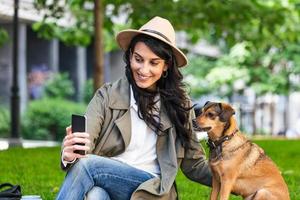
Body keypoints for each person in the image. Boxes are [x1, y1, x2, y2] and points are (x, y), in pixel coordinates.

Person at [56, 16, 211, 200]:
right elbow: (85, 144)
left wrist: (243, 179)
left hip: (152, 190)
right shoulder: (107, 95)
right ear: (130, 57)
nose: (144, 70)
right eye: (138, 59)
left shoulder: (179, 105)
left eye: (153, 63)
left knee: (86, 166)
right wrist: (69, 154)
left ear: (166, 66)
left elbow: (195, 164)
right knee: (95, 195)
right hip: (108, 181)